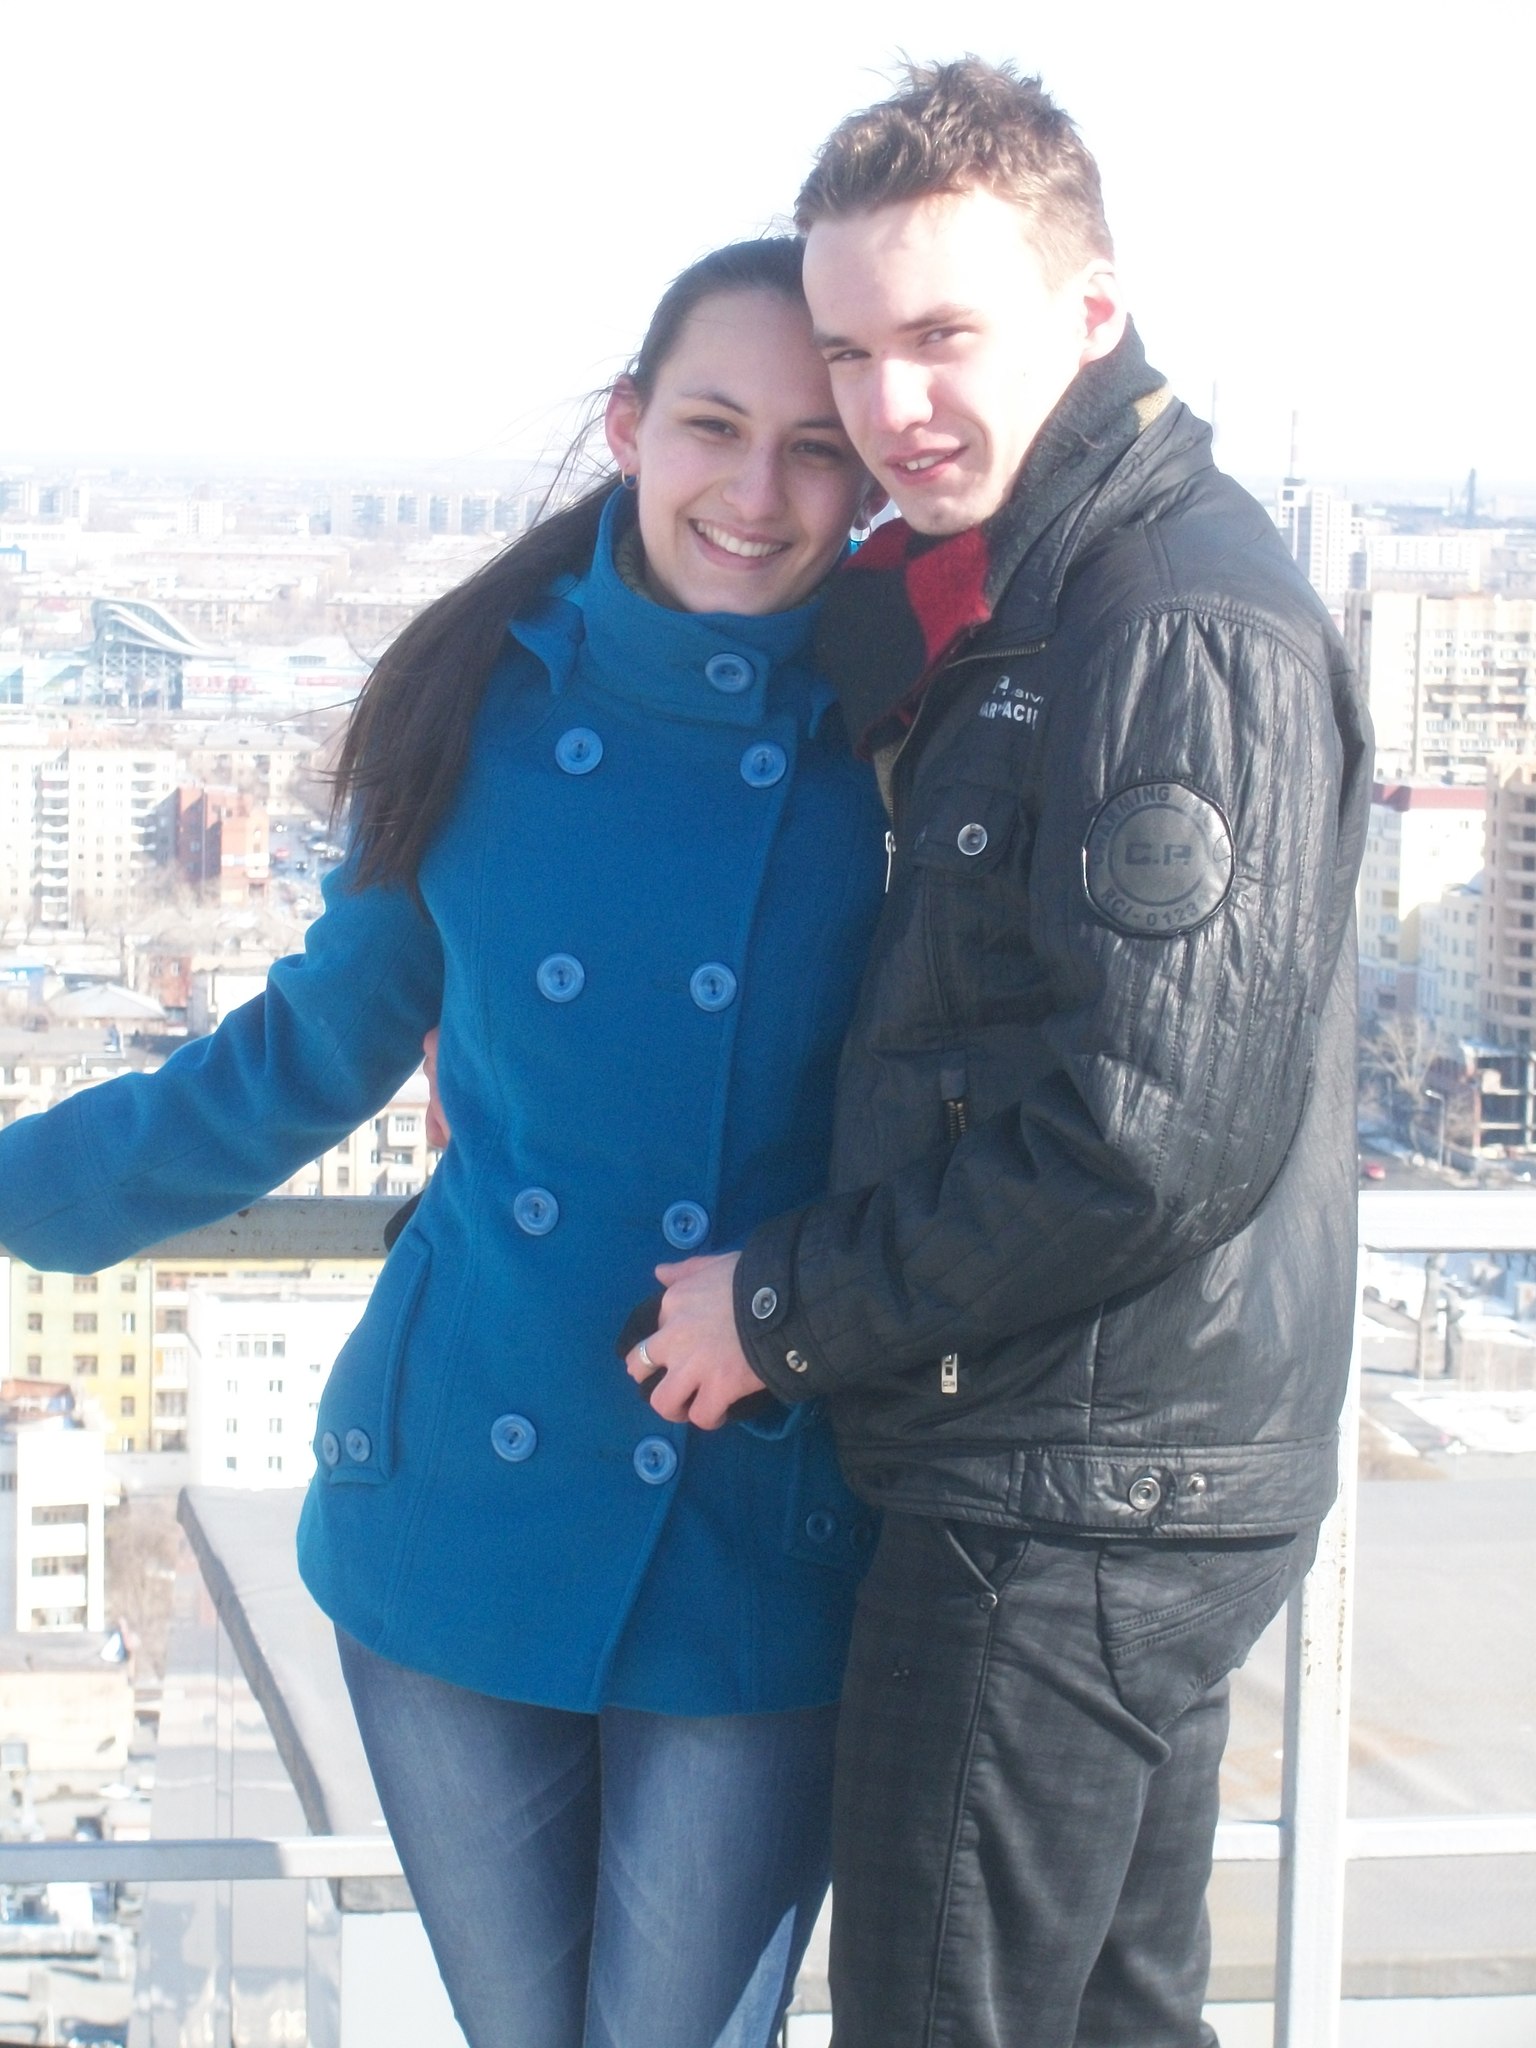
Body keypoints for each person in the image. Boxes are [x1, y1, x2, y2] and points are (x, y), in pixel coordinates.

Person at [0, 238, 891, 2048]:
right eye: (713, 426)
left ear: (868, 480)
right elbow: (299, 1058)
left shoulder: (912, 739)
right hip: (462, 1510)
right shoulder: (477, 703)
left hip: (762, 1512)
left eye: (816, 448)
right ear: (630, 426)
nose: (756, 491)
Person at [628, 63, 1374, 2048]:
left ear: (1090, 312)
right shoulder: (1034, 598)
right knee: (1112, 2017)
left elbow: (1146, 1135)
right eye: (851, 349)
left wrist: (780, 1308)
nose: (892, 406)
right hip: (1097, 1458)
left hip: (1065, 1491)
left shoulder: (1172, 623)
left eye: (943, 336)